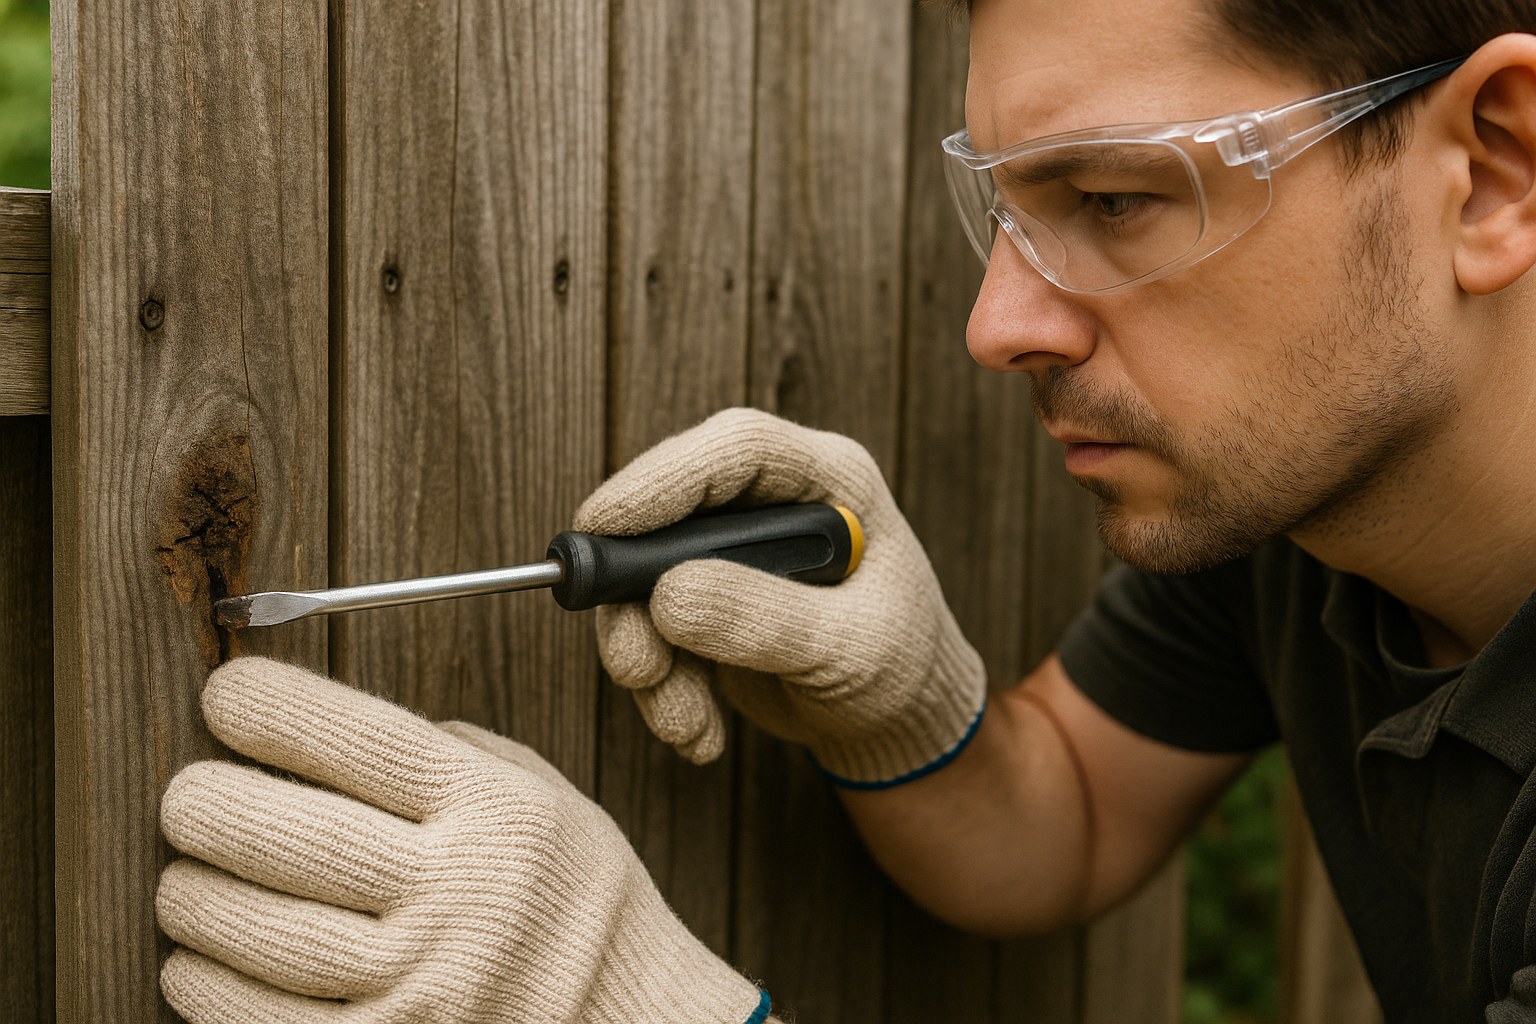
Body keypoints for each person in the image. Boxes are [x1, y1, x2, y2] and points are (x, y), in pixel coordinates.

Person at [154, 0, 1536, 1021]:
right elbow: (1064, 823)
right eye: (1005, 212)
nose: (1001, 326)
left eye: (1116, 197)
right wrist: (910, 715)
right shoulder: (1299, 517)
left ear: (1489, 167)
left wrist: (621, 1000)